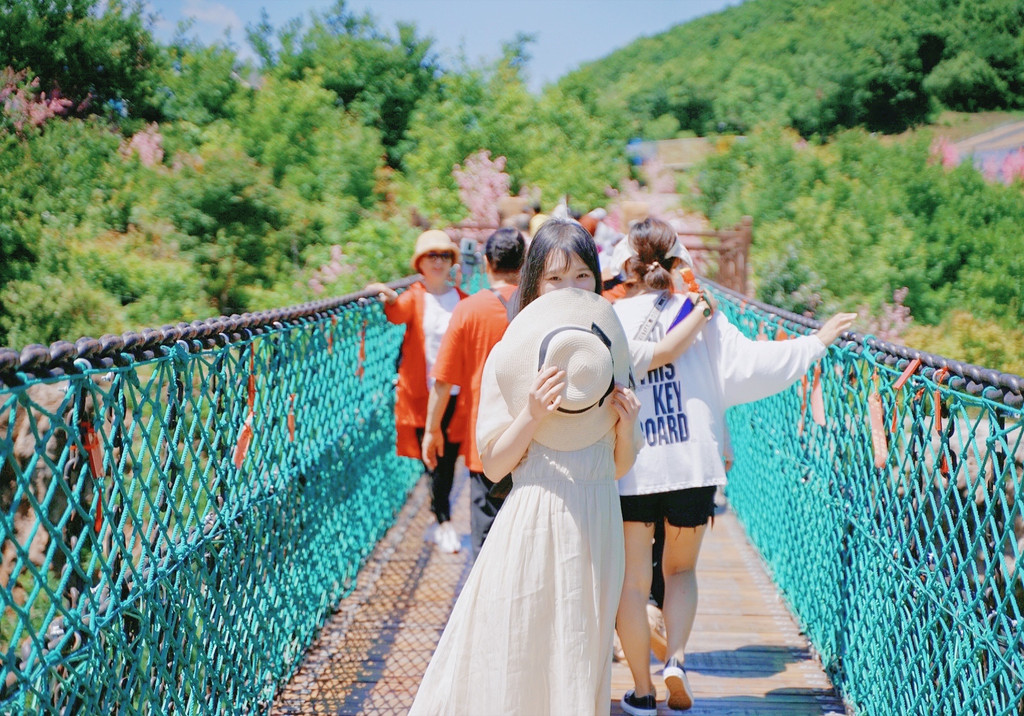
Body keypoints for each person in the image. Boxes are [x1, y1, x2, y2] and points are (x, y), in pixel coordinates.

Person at [610, 218, 857, 714]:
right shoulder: (702, 315)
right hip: (693, 465)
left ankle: (641, 690)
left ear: (625, 269)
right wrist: (817, 341)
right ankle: (676, 661)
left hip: (631, 465)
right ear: (678, 263)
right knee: (680, 570)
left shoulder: (610, 319)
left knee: (632, 584)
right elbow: (754, 365)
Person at [422, 227, 526, 560]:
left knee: (487, 550)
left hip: (487, 442)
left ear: (486, 263)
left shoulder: (468, 309)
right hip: (535, 440)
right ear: (524, 263)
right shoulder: (537, 304)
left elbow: (442, 381)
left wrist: (432, 430)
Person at [365, 229, 469, 554]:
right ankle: (444, 521)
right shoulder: (414, 296)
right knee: (433, 460)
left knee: (448, 459)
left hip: (456, 394)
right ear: (420, 263)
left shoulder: (463, 300)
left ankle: (439, 518)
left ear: (451, 262)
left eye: (444, 256)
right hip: (423, 394)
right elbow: (396, 313)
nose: (438, 262)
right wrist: (385, 294)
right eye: (431, 256)